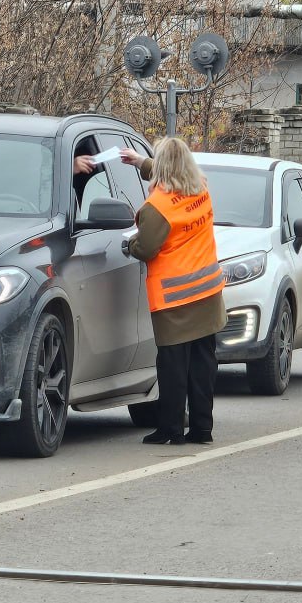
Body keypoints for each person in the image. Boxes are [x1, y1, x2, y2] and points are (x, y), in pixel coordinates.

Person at [122, 138, 225, 445]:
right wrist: (141, 162)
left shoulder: (158, 207)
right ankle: (202, 429)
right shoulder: (200, 189)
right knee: (203, 364)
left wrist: (129, 245)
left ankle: (170, 430)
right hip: (208, 294)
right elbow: (171, 170)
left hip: (175, 300)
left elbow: (147, 247)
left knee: (172, 367)